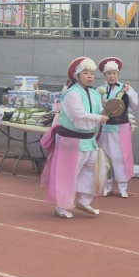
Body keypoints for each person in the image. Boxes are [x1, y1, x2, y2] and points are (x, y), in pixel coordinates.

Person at [40, 57, 109, 218]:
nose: (90, 76)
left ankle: (84, 201)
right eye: (85, 73)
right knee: (69, 173)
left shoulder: (93, 93)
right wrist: (99, 118)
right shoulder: (71, 93)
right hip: (71, 141)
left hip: (88, 140)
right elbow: (78, 115)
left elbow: (97, 111)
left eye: (91, 73)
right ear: (77, 76)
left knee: (96, 168)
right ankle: (61, 207)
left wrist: (104, 109)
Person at [97, 57, 138, 198]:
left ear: (118, 74)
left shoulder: (125, 88)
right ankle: (107, 186)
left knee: (121, 156)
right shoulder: (99, 90)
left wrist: (128, 92)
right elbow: (95, 109)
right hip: (105, 128)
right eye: (108, 73)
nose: (112, 76)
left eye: (114, 73)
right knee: (106, 157)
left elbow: (134, 104)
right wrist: (100, 103)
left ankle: (122, 187)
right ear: (104, 76)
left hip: (121, 127)